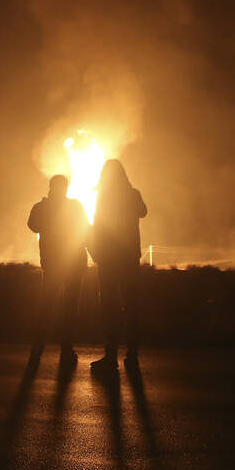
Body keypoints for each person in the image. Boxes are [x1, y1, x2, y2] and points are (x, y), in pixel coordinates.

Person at [88, 159, 147, 378]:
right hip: (128, 257)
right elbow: (143, 212)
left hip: (110, 259)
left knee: (109, 307)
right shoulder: (132, 194)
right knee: (131, 305)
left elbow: (98, 225)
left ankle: (111, 356)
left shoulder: (104, 196)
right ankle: (132, 354)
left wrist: (96, 252)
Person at [27, 174, 90, 366]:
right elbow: (86, 229)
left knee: (47, 306)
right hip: (72, 262)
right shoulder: (74, 206)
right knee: (70, 307)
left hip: (54, 262)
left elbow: (33, 225)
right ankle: (66, 348)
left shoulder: (42, 207)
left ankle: (38, 348)